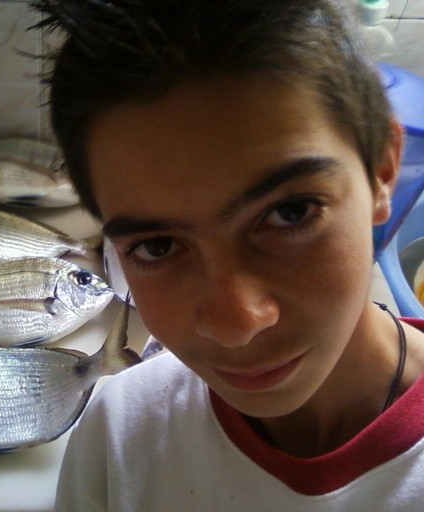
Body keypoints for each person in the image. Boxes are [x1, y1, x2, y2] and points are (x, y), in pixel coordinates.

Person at [32, 0, 424, 510]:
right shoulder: (120, 433)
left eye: (290, 213)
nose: (238, 324)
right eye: (157, 246)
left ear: (382, 172)